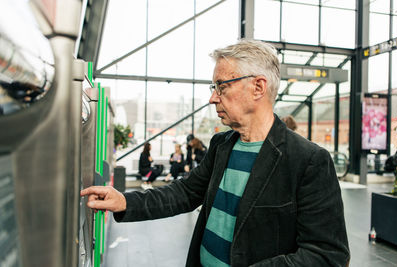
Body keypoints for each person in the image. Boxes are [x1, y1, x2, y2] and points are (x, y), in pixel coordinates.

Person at [81, 39, 349, 266]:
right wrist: (126, 202)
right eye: (214, 88)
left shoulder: (308, 160)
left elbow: (327, 254)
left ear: (258, 87)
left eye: (222, 86)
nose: (213, 98)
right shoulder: (223, 145)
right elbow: (185, 192)